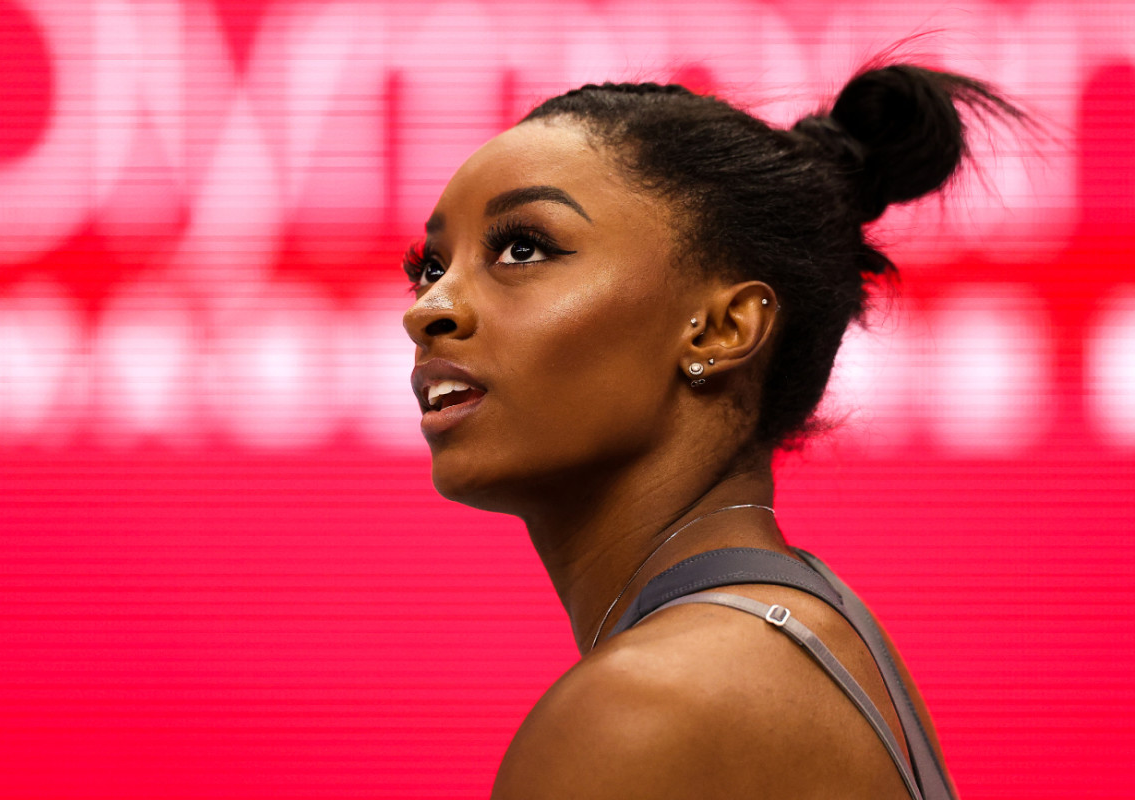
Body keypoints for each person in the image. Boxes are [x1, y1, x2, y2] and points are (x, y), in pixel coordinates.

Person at [401, 62, 1021, 799]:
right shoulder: (810, 633)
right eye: (429, 266)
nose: (428, 308)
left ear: (724, 329)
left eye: (523, 248)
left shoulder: (644, 709)